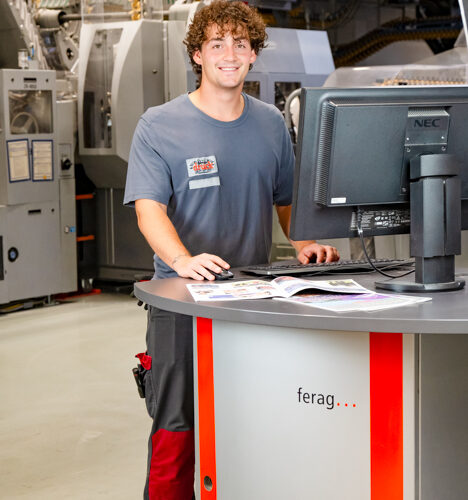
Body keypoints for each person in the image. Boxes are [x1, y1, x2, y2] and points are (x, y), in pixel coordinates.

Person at [124, 2, 339, 498]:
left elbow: (285, 200)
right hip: (181, 302)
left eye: (241, 44)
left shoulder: (270, 123)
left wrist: (305, 243)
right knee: (177, 427)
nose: (230, 54)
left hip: (254, 300)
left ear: (253, 54)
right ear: (198, 54)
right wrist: (182, 260)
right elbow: (149, 210)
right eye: (217, 43)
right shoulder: (159, 125)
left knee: (253, 420)